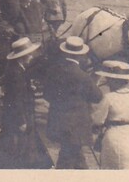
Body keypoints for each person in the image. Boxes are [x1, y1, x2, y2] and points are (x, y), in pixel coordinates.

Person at [0, 38, 54, 169]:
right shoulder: (16, 73)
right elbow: (15, 100)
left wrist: (29, 87)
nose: (31, 56)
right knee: (16, 143)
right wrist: (21, 120)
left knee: (14, 141)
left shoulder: (17, 69)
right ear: (23, 56)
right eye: (29, 54)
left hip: (18, 115)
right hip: (20, 116)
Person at [42, 37, 103, 169]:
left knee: (73, 155)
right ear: (81, 55)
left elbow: (46, 94)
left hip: (58, 121)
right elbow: (97, 97)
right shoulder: (83, 76)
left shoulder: (53, 71)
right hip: (77, 125)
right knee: (68, 158)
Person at [93, 60, 129, 169]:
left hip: (114, 139)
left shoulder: (109, 97)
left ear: (114, 81)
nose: (107, 82)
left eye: (108, 79)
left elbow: (97, 121)